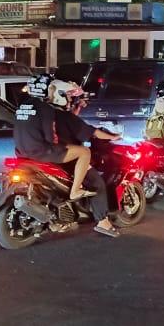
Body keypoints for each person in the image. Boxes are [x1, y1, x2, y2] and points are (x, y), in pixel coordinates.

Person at [48, 80, 123, 238]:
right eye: (69, 96)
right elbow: (92, 132)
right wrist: (113, 137)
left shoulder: (47, 113)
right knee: (97, 182)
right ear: (60, 96)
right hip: (67, 157)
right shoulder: (65, 116)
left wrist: (78, 108)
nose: (70, 99)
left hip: (49, 155)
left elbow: (70, 122)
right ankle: (103, 222)